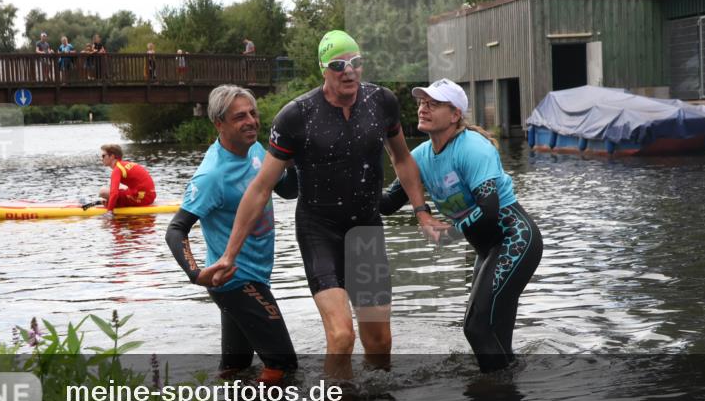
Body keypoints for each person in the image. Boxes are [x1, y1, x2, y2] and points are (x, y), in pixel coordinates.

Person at [199, 30, 445, 367]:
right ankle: (335, 399)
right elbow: (260, 188)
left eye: (356, 62)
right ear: (323, 69)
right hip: (320, 232)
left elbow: (401, 159)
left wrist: (422, 212)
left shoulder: (381, 102)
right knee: (342, 336)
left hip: (365, 232)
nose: (349, 71)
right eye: (338, 65)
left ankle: (377, 399)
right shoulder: (296, 115)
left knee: (380, 342)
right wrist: (229, 255)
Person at [380, 79, 543, 372]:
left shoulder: (473, 147)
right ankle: (508, 389)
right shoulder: (419, 157)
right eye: (422, 103)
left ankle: (496, 392)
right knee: (491, 332)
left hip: (515, 240)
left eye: (433, 104)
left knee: (476, 327)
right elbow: (387, 204)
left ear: (455, 114)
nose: (423, 108)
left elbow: (489, 209)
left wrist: (451, 233)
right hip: (487, 250)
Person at [166, 85, 299, 381]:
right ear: (219, 123)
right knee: (283, 365)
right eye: (240, 117)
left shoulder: (255, 149)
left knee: (236, 368)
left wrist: (294, 163)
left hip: (253, 275)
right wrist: (196, 274)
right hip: (235, 280)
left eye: (253, 113)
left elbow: (288, 191)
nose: (251, 121)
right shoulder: (212, 175)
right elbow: (176, 230)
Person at [98, 144, 156, 211]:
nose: (101, 159)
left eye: (103, 156)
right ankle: (115, 202)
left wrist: (109, 212)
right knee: (118, 187)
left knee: (103, 191)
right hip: (150, 196)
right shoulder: (124, 164)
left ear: (112, 156)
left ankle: (115, 203)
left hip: (143, 199)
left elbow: (114, 194)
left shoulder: (117, 169)